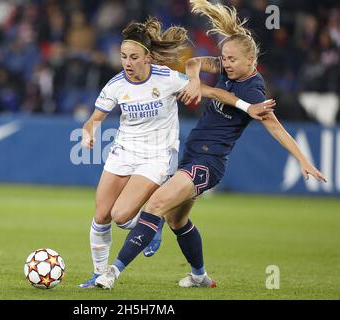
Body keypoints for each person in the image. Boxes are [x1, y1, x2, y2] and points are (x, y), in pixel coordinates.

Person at [94, 0, 327, 290]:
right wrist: (192, 79)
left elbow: (275, 128)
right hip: (192, 154)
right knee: (177, 221)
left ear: (251, 62)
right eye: (224, 57)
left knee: (154, 205)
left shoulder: (254, 90)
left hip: (208, 163)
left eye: (231, 60)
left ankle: (112, 273)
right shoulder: (226, 69)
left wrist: (303, 160)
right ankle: (199, 275)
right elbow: (194, 63)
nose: (225, 63)